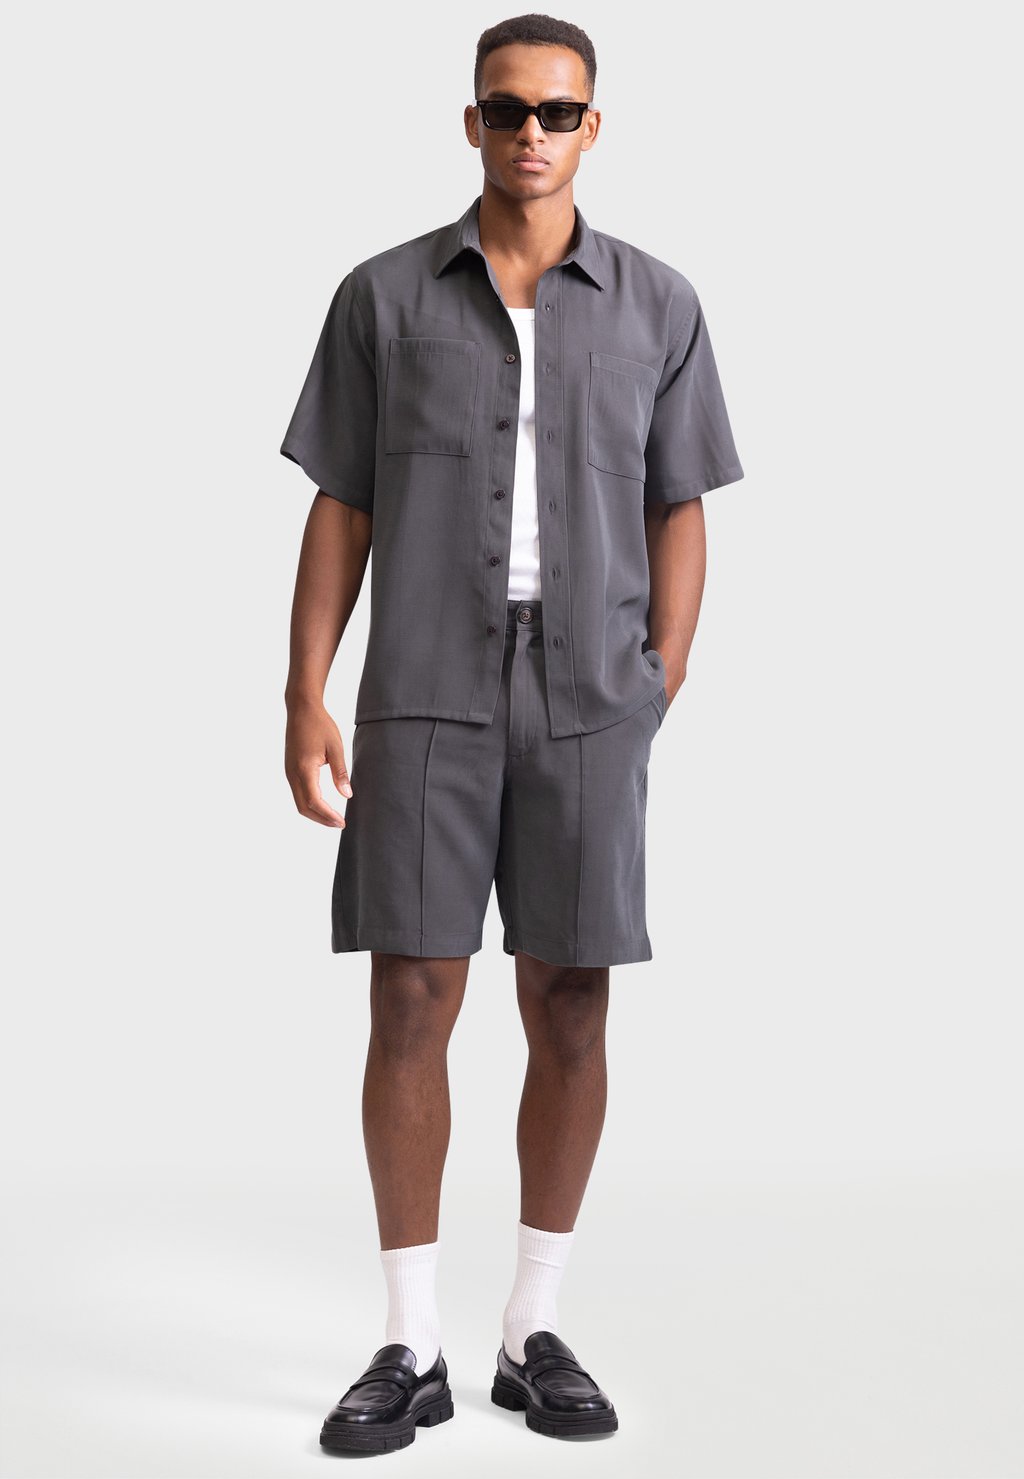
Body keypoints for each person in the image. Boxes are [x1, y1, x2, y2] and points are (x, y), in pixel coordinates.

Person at [279, 11, 743, 1454]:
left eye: (556, 111)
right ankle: (408, 1343)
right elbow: (342, 500)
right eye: (505, 109)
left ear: (594, 127)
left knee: (574, 1001)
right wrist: (304, 689)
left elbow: (682, 502)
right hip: (424, 683)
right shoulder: (382, 296)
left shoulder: (659, 304)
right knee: (412, 997)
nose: (529, 132)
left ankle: (531, 1329)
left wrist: (660, 675)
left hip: (592, 694)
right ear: (469, 120)